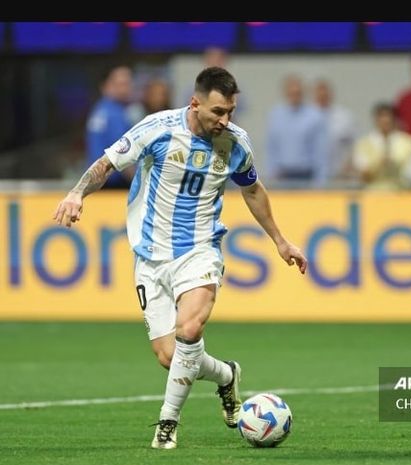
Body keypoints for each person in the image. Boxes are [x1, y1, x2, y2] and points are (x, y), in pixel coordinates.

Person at [53, 67, 308, 450]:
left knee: (190, 331)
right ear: (195, 104)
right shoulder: (157, 128)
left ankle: (166, 426)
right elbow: (107, 163)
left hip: (200, 249)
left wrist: (280, 241)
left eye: (230, 112)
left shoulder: (236, 143)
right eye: (218, 112)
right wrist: (76, 194)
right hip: (150, 256)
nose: (225, 121)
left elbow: (253, 190)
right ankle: (226, 375)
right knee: (169, 356)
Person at [85, 65, 135, 188]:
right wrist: (139, 183)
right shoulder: (115, 113)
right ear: (106, 86)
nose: (126, 89)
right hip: (113, 183)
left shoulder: (99, 109)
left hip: (96, 181)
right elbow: (123, 154)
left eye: (128, 84)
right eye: (121, 84)